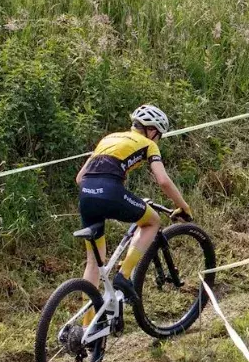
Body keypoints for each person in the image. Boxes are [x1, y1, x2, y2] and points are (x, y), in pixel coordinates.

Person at [74, 104, 191, 323]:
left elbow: (80, 178)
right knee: (152, 221)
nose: (158, 140)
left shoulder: (108, 138)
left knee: (93, 263)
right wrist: (184, 206)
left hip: (86, 195)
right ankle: (124, 276)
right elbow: (163, 180)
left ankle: (86, 327)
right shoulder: (148, 144)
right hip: (111, 191)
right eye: (159, 135)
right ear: (152, 131)